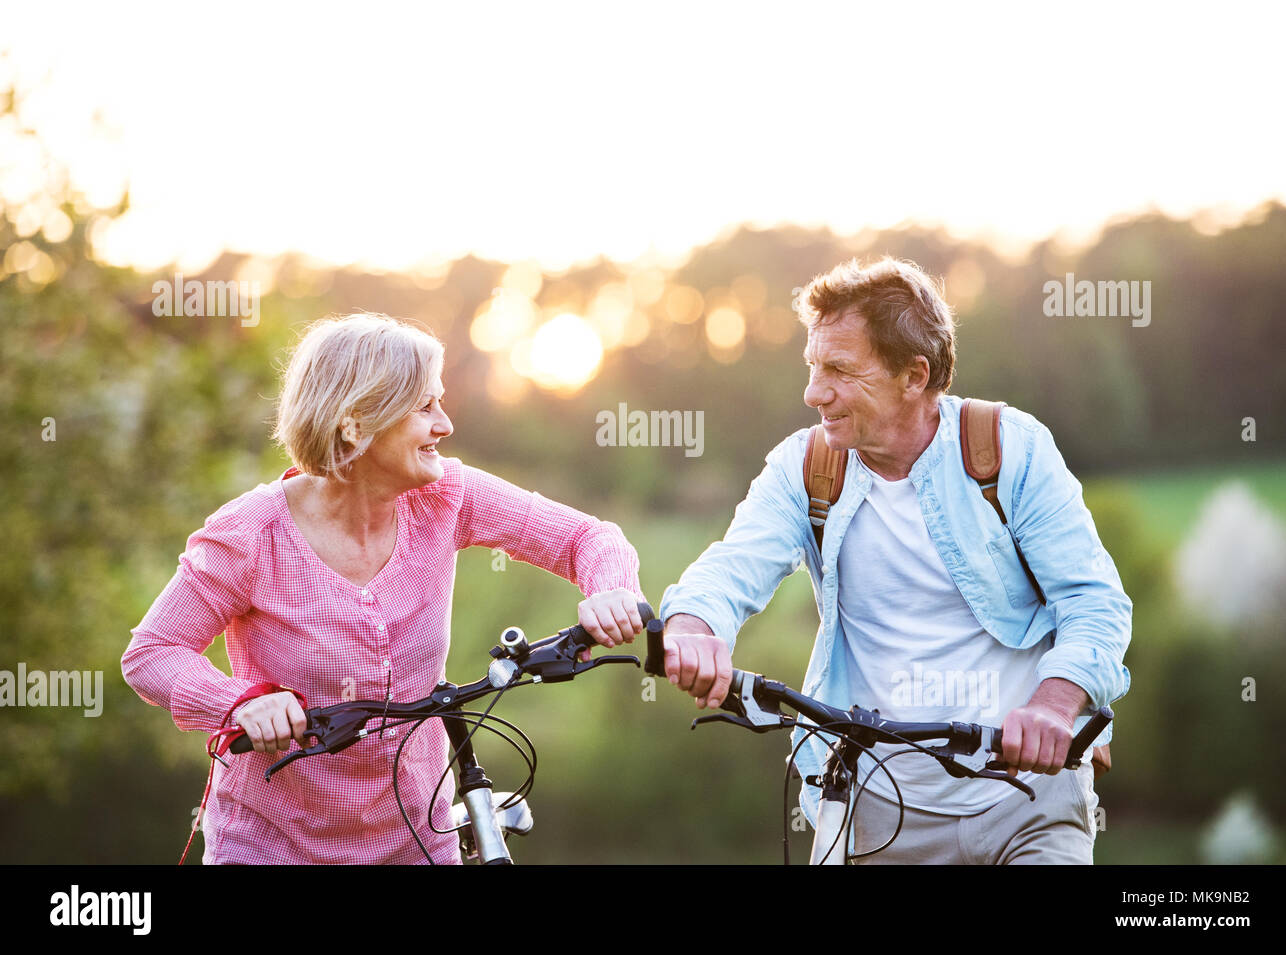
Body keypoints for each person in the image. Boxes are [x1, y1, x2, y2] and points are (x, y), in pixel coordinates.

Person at [122, 312, 644, 864]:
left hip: (419, 840)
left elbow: (587, 537)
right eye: (424, 406)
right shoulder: (251, 533)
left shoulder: (446, 498)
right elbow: (153, 654)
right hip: (271, 847)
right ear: (355, 423)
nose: (444, 424)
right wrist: (241, 702)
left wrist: (610, 588)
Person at [659, 258, 1131, 864]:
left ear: (914, 375)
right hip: (874, 809)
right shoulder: (804, 469)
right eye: (812, 367)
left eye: (839, 370)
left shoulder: (1008, 448)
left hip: (1028, 802)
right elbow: (734, 564)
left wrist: (1053, 705)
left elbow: (1093, 600)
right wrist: (696, 623)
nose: (813, 393)